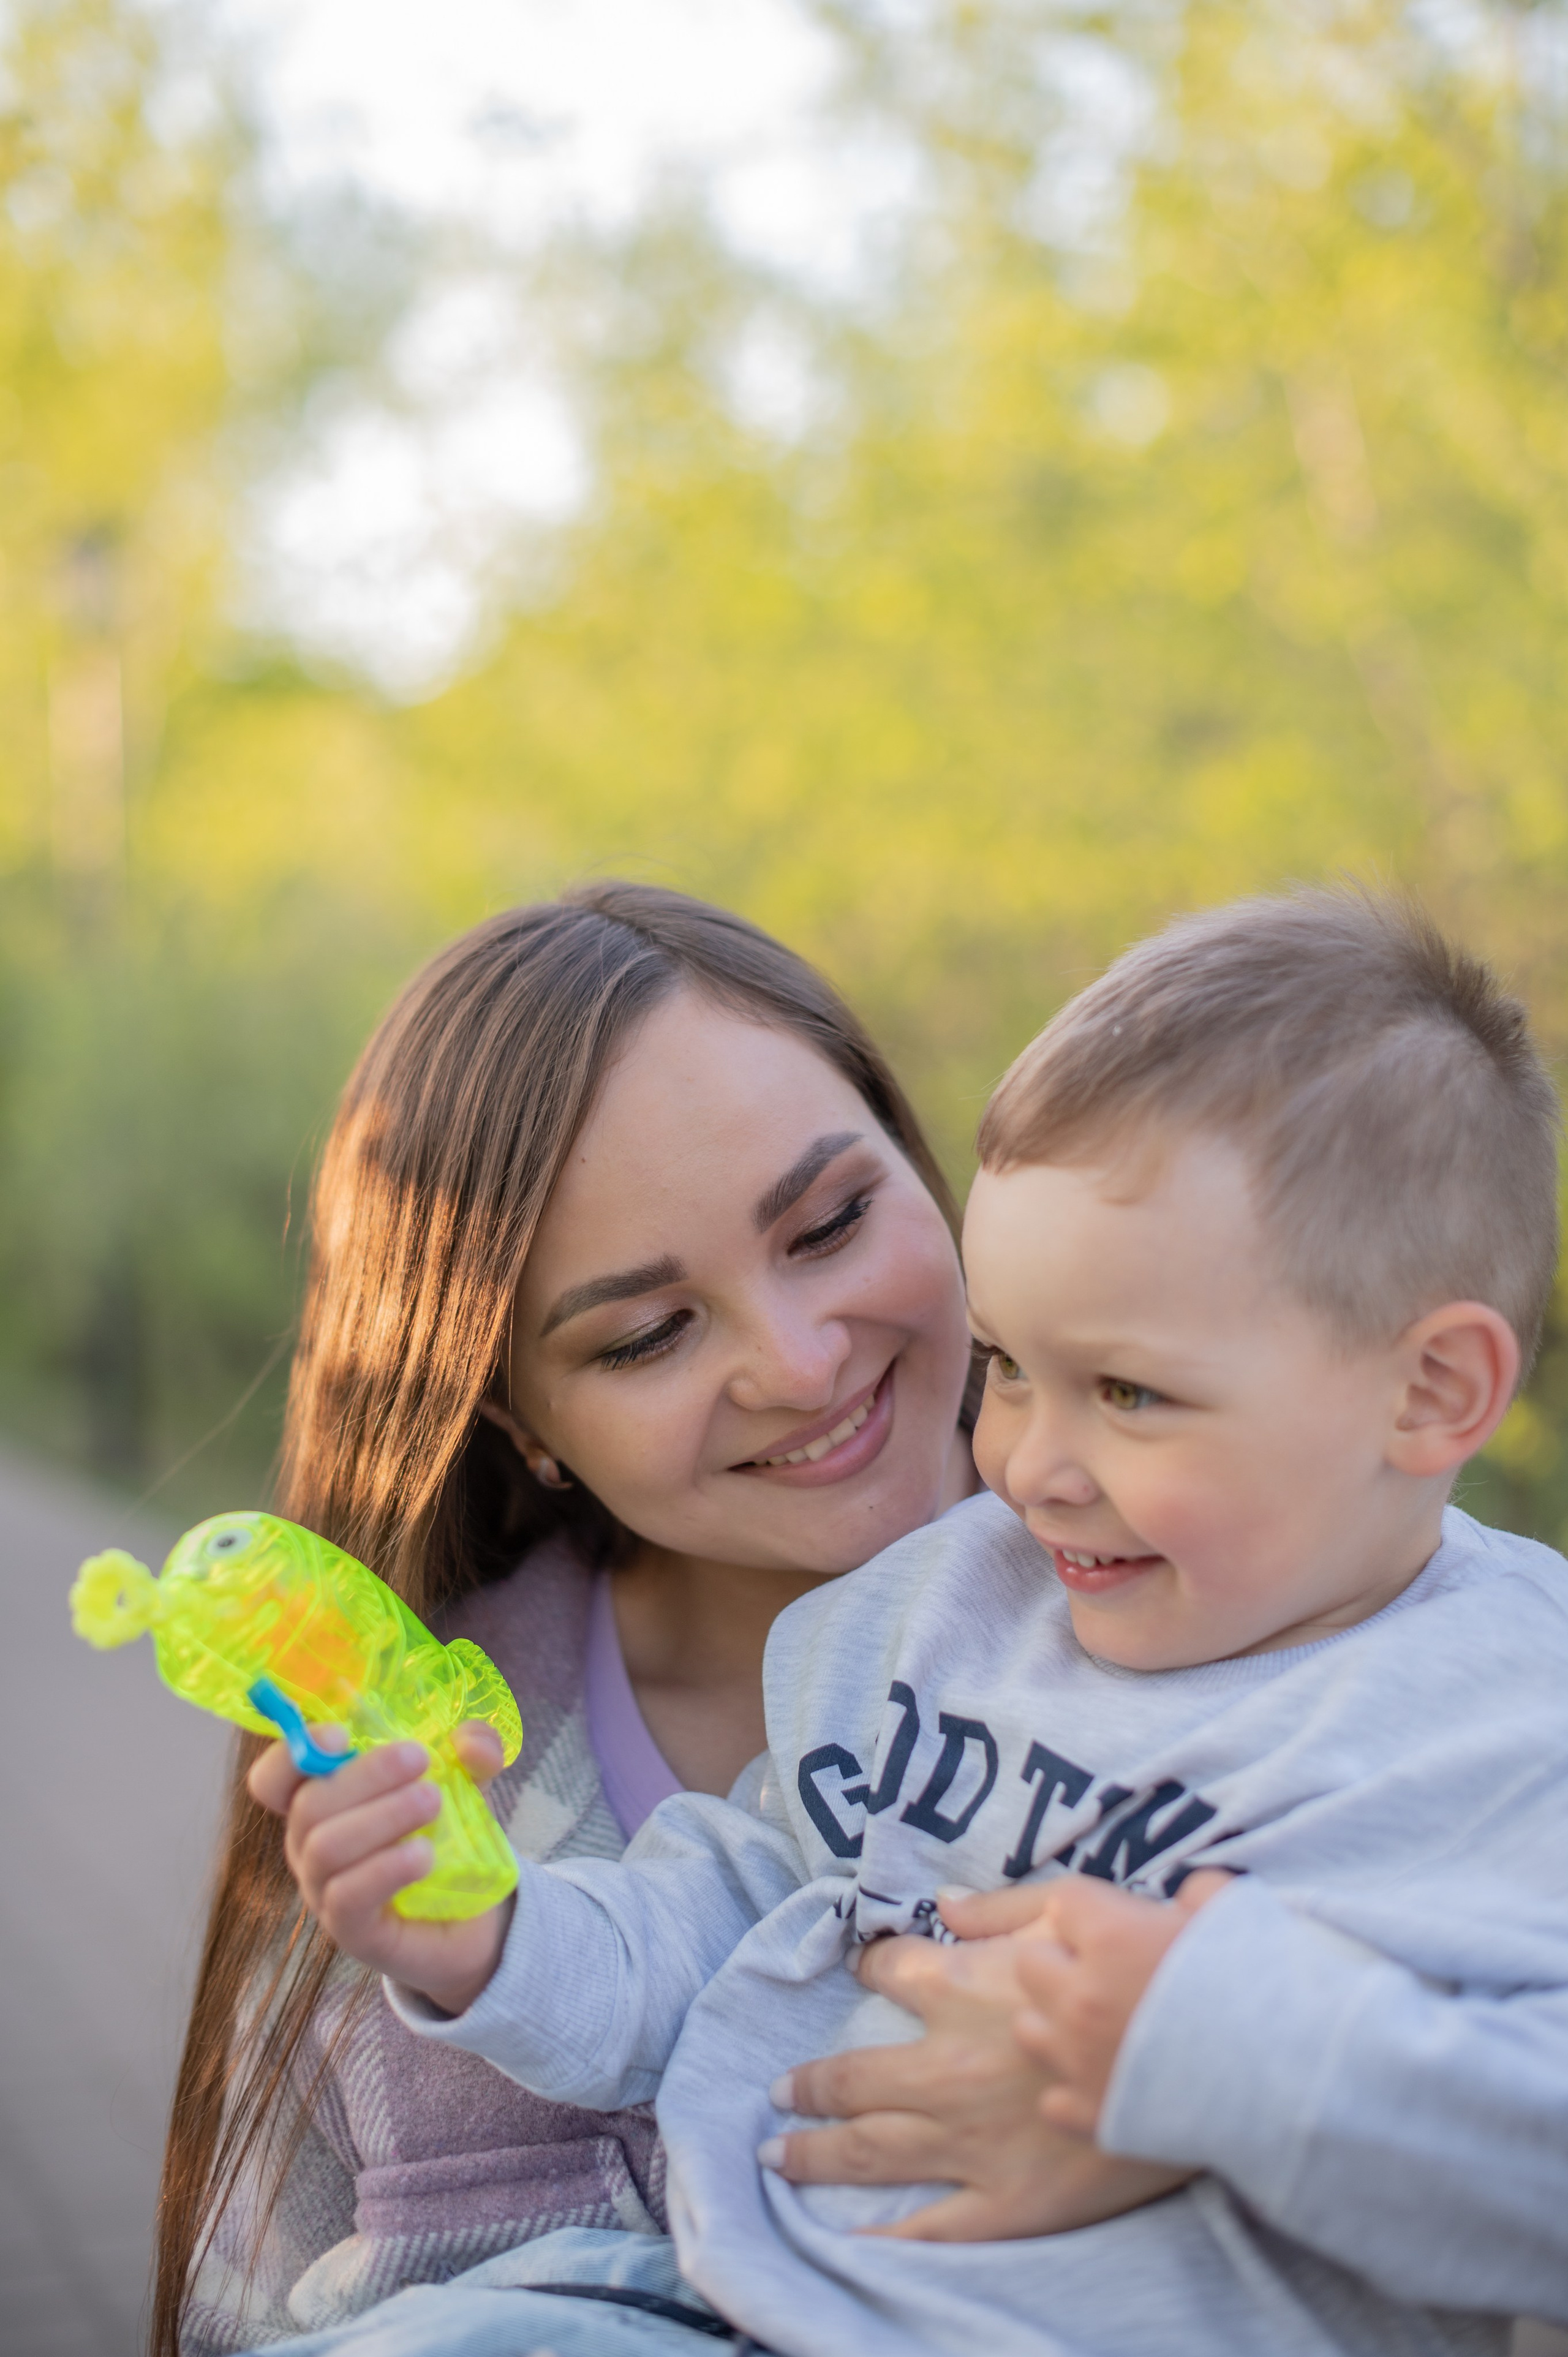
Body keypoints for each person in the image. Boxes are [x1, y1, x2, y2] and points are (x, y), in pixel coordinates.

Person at [247, 888, 1568, 2357]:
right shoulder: (950, 1615)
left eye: (1128, 1391)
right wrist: (492, 1931)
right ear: (523, 1418)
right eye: (1007, 1364)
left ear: (1431, 1391)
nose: (1028, 1469)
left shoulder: (1507, 1721)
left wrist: (1197, 2065)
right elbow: (724, 1910)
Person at [163, 883, 1156, 2357]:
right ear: (520, 1418)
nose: (798, 1363)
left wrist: (1191, 2131)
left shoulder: (1261, 1586)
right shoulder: (410, 1776)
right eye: (644, 1335)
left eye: (829, 1223)